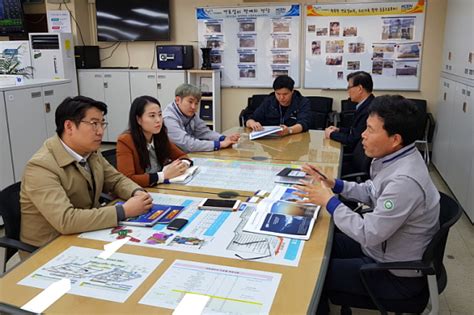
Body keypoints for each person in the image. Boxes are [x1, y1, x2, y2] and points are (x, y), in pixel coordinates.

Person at [293, 95, 440, 314]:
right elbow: (372, 191)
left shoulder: (404, 182)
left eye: (370, 130)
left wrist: (330, 202)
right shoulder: (397, 157)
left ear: (395, 139)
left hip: (394, 275)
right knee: (315, 245)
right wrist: (335, 184)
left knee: (312, 272)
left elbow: (368, 232)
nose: (362, 134)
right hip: (381, 247)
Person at [20, 96, 153, 253]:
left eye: (102, 123)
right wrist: (123, 211)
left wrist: (136, 193)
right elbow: (66, 220)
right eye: (94, 124)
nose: (101, 131)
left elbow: (115, 180)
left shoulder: (90, 152)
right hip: (50, 249)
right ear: (69, 126)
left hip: (88, 234)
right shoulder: (41, 166)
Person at [117, 95, 193, 187]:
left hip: (158, 188)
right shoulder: (125, 141)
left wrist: (183, 165)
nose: (158, 120)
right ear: (139, 120)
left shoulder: (159, 135)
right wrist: (163, 176)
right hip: (138, 193)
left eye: (160, 114)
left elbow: (182, 156)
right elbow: (127, 179)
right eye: (152, 116)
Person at [163, 83, 240, 153]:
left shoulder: (189, 113)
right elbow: (187, 144)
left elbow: (204, 132)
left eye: (196, 103)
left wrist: (223, 138)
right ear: (177, 100)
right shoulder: (169, 118)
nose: (194, 107)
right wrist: (219, 144)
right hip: (172, 159)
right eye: (190, 102)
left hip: (187, 155)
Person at [325, 71, 374, 152]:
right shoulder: (365, 104)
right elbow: (355, 131)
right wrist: (339, 130)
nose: (348, 91)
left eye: (349, 87)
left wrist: (331, 134)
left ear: (360, 89)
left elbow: (353, 140)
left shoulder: (369, 110)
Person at [245, 75, 312, 136]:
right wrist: (252, 123)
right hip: (271, 140)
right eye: (278, 94)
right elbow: (250, 119)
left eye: (285, 94)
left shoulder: (302, 102)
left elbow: (304, 124)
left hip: (294, 138)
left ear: (292, 91)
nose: (281, 97)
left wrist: (289, 130)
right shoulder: (269, 101)